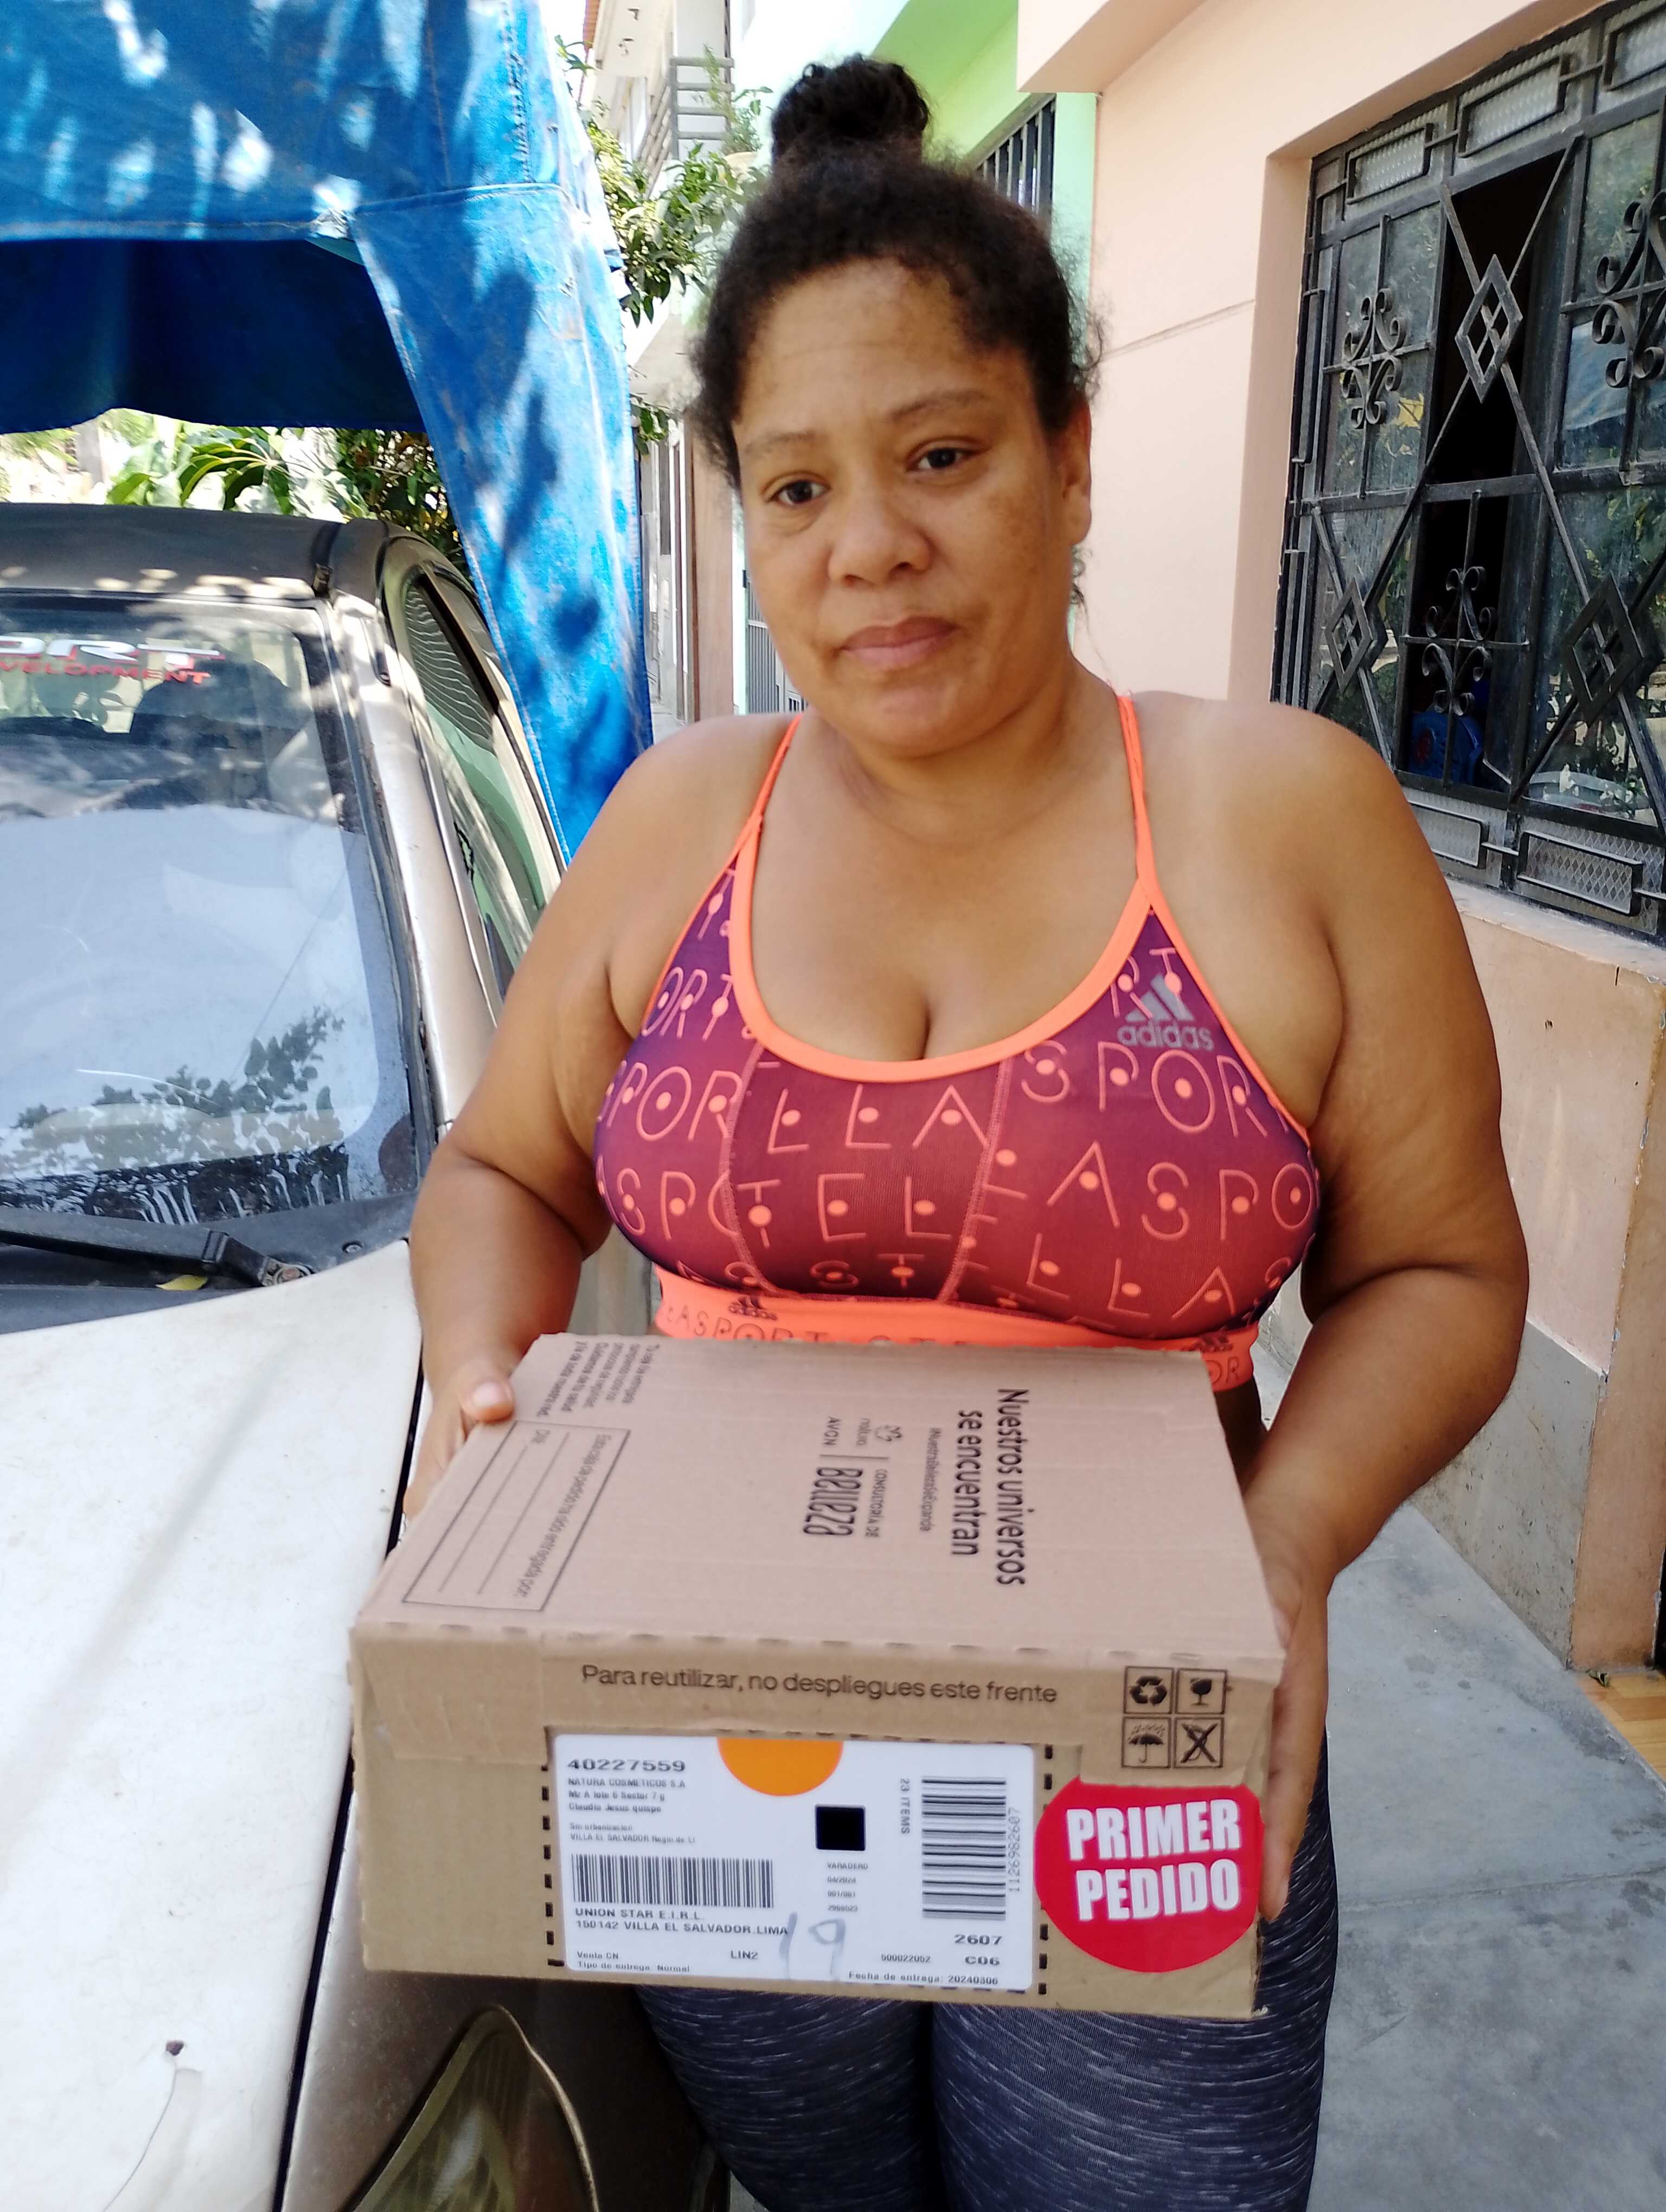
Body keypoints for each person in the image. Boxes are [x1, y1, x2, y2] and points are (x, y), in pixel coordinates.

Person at [407, 56, 1527, 2212]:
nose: (872, 551)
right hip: (721, 1742)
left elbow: (1445, 1273)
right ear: (747, 517)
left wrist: (1288, 1543)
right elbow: (503, 1173)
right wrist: (484, 1400)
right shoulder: (679, 822)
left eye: (941, 456)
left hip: (1143, 1744)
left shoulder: (1282, 818)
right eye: (797, 488)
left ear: (1071, 455)